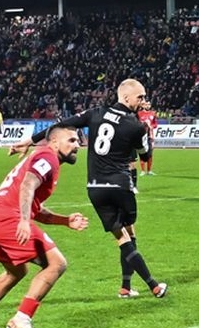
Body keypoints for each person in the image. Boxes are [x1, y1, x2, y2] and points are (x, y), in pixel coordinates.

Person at [0, 125, 87, 328]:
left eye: (78, 140)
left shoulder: (43, 156)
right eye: (71, 140)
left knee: (16, 272)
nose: (77, 145)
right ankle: (22, 318)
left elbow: (34, 207)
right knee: (57, 264)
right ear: (54, 142)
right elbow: (28, 185)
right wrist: (23, 220)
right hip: (7, 219)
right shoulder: (48, 157)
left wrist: (64, 220)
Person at [45, 79, 167, 298]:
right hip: (120, 186)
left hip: (95, 188)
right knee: (129, 235)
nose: (143, 101)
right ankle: (154, 286)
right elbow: (145, 155)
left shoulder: (96, 113)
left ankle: (126, 288)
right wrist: (138, 135)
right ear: (126, 97)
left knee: (122, 237)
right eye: (140, 97)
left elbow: (59, 126)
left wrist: (29, 140)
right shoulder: (135, 125)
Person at [136, 101, 158, 176]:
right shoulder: (139, 113)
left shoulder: (153, 113)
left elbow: (155, 124)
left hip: (150, 136)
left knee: (150, 154)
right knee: (142, 152)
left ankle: (149, 171)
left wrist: (151, 126)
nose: (148, 106)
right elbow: (136, 123)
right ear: (143, 105)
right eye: (146, 104)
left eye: (149, 104)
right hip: (142, 136)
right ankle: (143, 171)